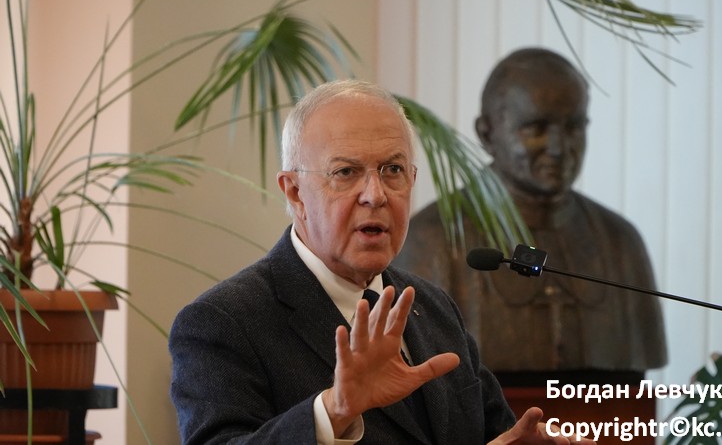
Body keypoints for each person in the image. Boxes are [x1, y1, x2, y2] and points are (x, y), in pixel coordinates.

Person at [169, 80, 593, 444]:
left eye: (392, 169)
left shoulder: (434, 307)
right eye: (346, 172)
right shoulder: (222, 322)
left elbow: (493, 432)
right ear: (295, 192)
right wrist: (334, 412)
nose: (375, 195)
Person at [394, 48, 667, 382]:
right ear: (487, 133)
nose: (558, 147)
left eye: (573, 127)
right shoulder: (432, 239)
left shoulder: (621, 244)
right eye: (536, 128)